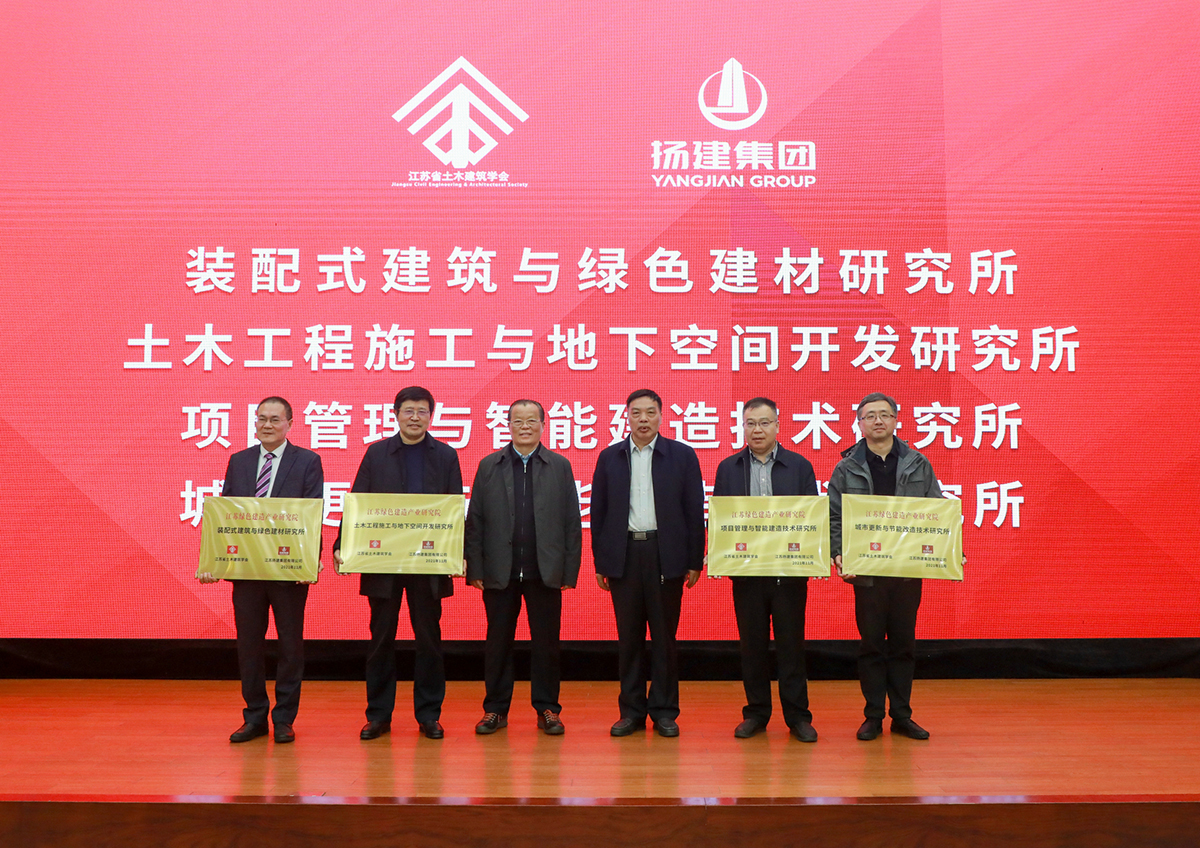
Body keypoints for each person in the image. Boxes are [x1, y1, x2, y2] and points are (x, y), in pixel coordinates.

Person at [333, 387, 462, 740]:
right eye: (409, 410)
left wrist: (458, 552)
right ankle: (378, 715)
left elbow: (454, 509)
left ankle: (429, 715)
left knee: (429, 640)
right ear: (396, 414)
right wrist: (342, 544)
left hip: (428, 563)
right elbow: (358, 503)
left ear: (431, 416)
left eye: (422, 411)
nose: (415, 417)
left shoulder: (446, 456)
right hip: (383, 562)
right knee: (380, 640)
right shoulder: (377, 453)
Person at [199, 396, 324, 744]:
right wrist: (213, 561)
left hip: (288, 570)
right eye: (261, 419)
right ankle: (254, 716)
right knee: (249, 646)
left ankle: (284, 718)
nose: (267, 425)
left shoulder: (308, 461)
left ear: (289, 424)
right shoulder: (238, 461)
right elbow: (224, 516)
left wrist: (310, 560)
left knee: (290, 647)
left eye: (275, 419)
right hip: (247, 571)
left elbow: (312, 513)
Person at [829, 392, 943, 741]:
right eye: (870, 416)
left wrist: (949, 549)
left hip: (906, 570)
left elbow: (936, 511)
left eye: (884, 415)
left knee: (904, 645)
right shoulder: (846, 467)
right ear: (859, 424)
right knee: (871, 646)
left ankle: (902, 715)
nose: (877, 421)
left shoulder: (918, 463)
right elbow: (834, 517)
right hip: (866, 572)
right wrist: (838, 554)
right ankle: (873, 715)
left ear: (896, 420)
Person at [591, 389, 704, 737]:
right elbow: (598, 512)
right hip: (624, 554)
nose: (643, 419)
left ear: (661, 416)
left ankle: (665, 711)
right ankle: (632, 711)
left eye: (650, 412)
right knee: (629, 639)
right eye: (636, 413)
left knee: (664, 638)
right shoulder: (610, 457)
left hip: (665, 554)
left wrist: (694, 559)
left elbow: (693, 510)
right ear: (626, 417)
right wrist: (601, 561)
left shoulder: (682, 456)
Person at [465, 400, 582, 736]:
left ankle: (548, 708)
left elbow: (572, 522)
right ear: (508, 425)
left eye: (532, 420)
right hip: (498, 571)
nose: (525, 426)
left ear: (544, 425)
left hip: (545, 571)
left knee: (546, 644)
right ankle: (495, 709)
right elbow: (475, 521)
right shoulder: (489, 465)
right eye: (518, 421)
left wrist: (569, 571)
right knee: (497, 643)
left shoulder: (559, 466)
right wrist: (475, 568)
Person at [712, 397, 818, 742]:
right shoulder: (728, 468)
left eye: (764, 422)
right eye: (750, 423)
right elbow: (720, 520)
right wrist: (718, 554)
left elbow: (812, 519)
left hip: (789, 573)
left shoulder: (799, 466)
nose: (757, 430)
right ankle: (756, 713)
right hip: (747, 574)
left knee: (791, 647)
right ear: (742, 427)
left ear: (777, 426)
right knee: (752, 647)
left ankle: (797, 716)